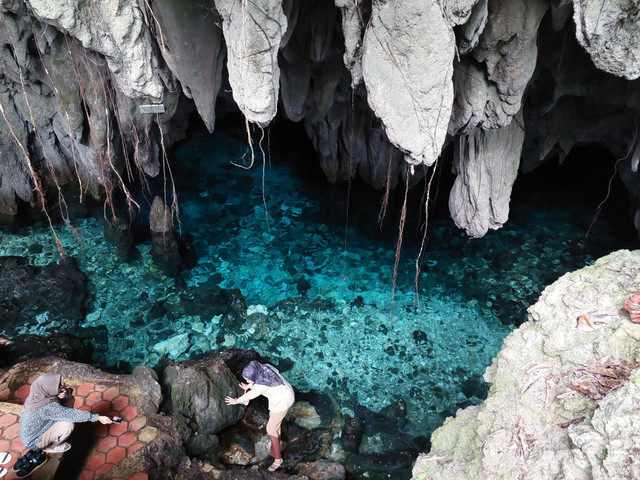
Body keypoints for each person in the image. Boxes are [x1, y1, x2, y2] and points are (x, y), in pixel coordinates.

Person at [18, 373, 112, 465]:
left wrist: (65, 393)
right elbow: (71, 414)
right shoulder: (46, 407)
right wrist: (97, 417)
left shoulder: (37, 394)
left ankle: (49, 439)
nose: (63, 385)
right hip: (34, 439)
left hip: (38, 427)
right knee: (67, 425)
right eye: (59, 385)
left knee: (67, 401)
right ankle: (50, 446)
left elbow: (55, 402)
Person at [225, 361, 295, 472]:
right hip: (286, 393)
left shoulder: (260, 386)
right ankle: (277, 443)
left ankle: (278, 460)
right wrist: (249, 385)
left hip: (282, 402)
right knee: (275, 424)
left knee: (270, 429)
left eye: (248, 379)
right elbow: (259, 384)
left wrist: (235, 401)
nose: (247, 381)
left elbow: (252, 394)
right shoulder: (265, 368)